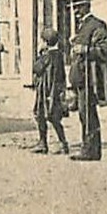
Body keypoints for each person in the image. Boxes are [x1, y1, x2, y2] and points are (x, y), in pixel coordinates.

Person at [69, 0, 107, 162]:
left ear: (87, 7)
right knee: (84, 114)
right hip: (82, 78)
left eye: (79, 7)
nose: (76, 11)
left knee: (89, 114)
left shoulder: (97, 25)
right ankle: (88, 148)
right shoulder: (83, 26)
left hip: (91, 79)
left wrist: (85, 49)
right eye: (74, 7)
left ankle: (91, 150)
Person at [31, 26, 70, 155]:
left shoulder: (47, 56)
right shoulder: (58, 55)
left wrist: (39, 54)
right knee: (54, 118)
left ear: (46, 42)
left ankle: (44, 143)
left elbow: (37, 68)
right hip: (54, 91)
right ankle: (62, 143)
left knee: (41, 115)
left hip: (46, 91)